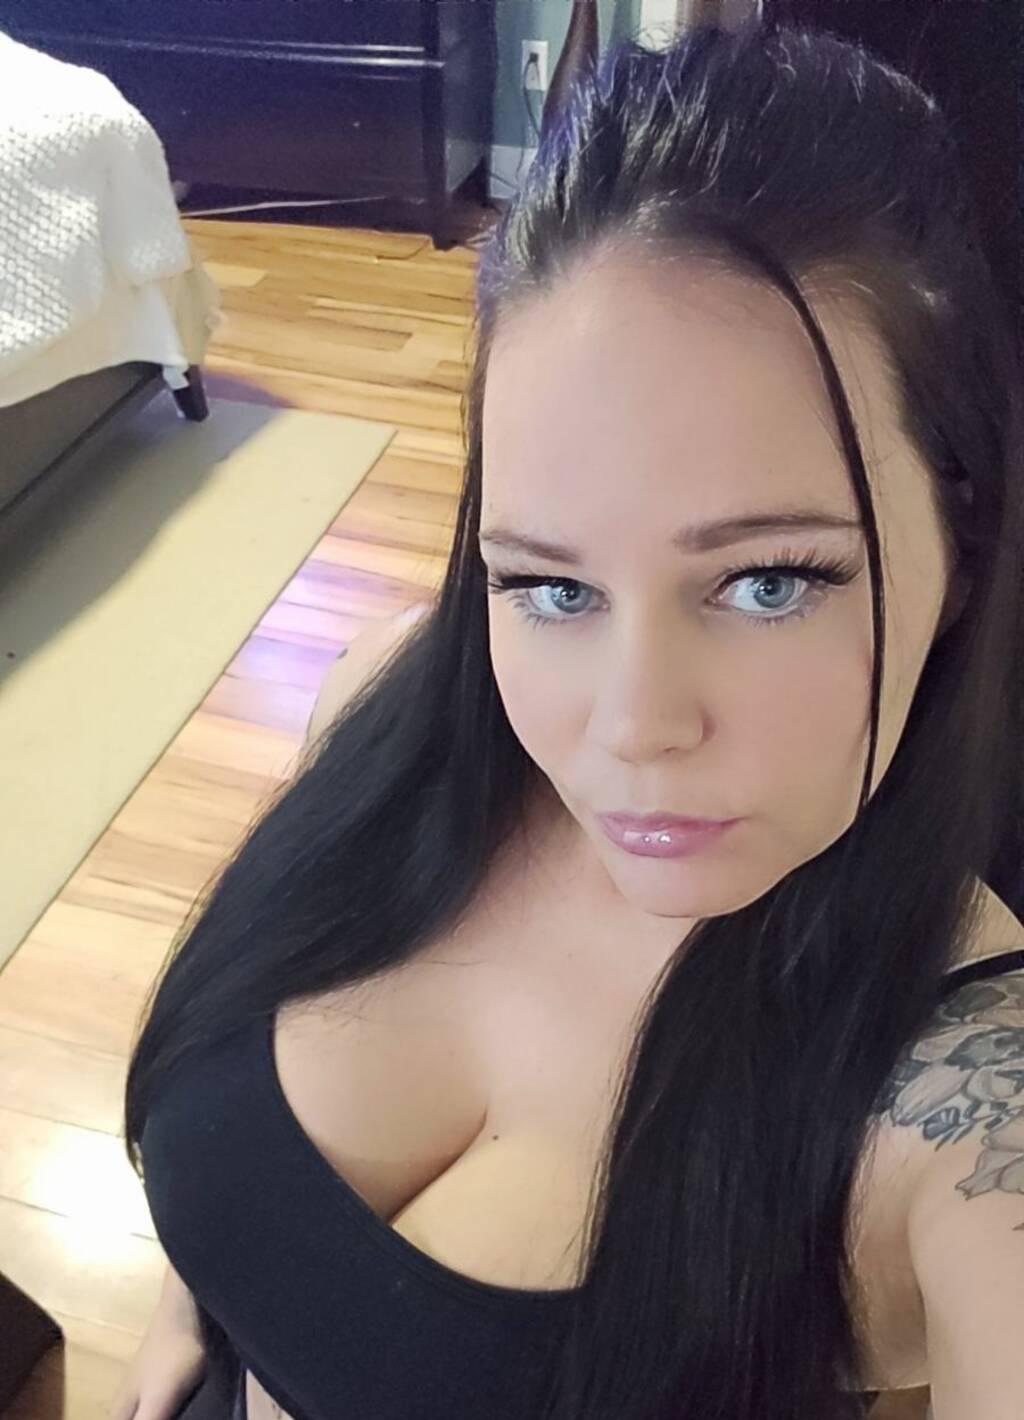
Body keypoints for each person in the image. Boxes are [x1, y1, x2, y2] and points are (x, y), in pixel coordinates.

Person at [112, 14, 1024, 1420]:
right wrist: (192, 1308)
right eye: (551, 585)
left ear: (960, 542)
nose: (631, 727)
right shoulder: (381, 695)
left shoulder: (969, 1096)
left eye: (768, 582)